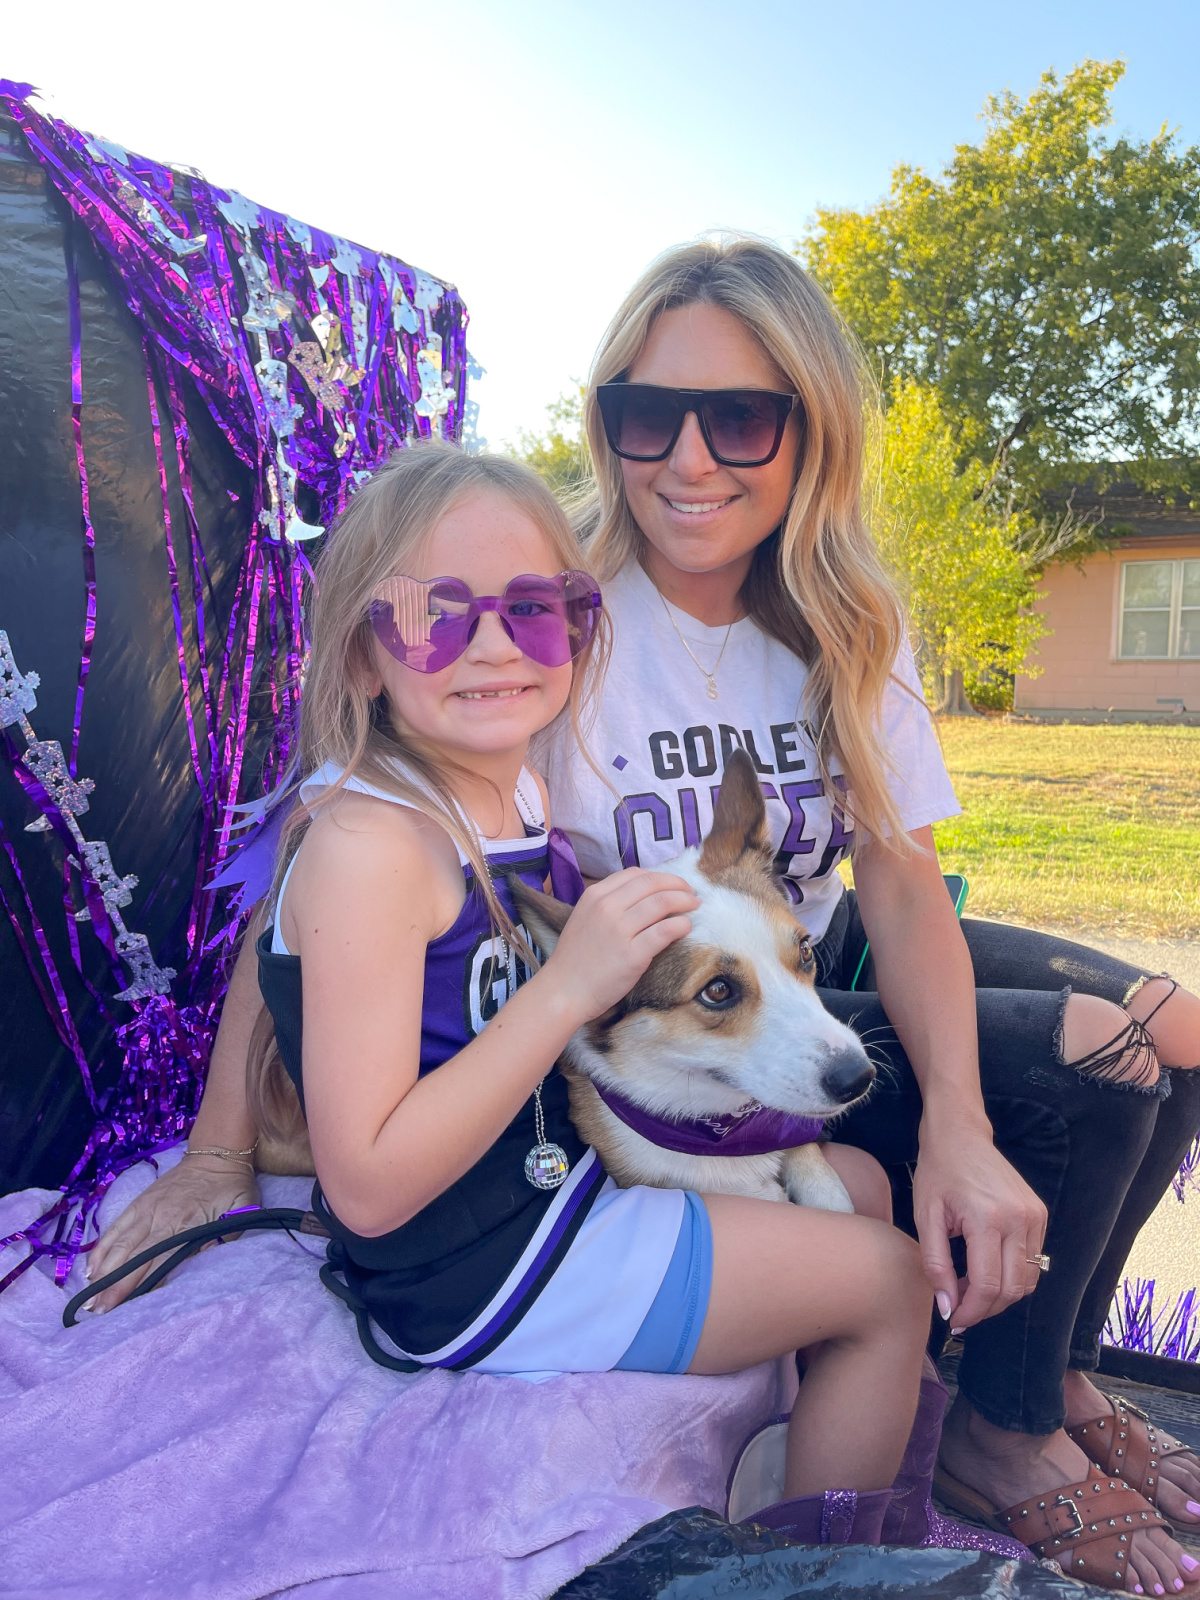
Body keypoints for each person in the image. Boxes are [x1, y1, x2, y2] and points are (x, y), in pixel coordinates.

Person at [91, 241, 1200, 1589]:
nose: (688, 458)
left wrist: (956, 1129)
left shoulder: (842, 621)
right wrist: (219, 1151)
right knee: (1075, 1067)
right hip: (682, 1010)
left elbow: (901, 881)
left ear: (813, 430)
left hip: (793, 950)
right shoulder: (558, 636)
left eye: (739, 417)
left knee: (1165, 1034)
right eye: (643, 414)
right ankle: (977, 1454)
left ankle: (1053, 1379)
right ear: (603, 423)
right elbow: (318, 907)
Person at [90, 438, 966, 1550]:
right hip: (474, 1267)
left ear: (578, 629)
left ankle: (803, 1462)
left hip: (545, 1191)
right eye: (436, 614)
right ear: (365, 655)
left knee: (857, 1181)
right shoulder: (372, 846)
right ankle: (819, 1568)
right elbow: (366, 1185)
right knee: (885, 1284)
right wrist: (564, 988)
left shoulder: (508, 797)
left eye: (536, 611)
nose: (494, 646)